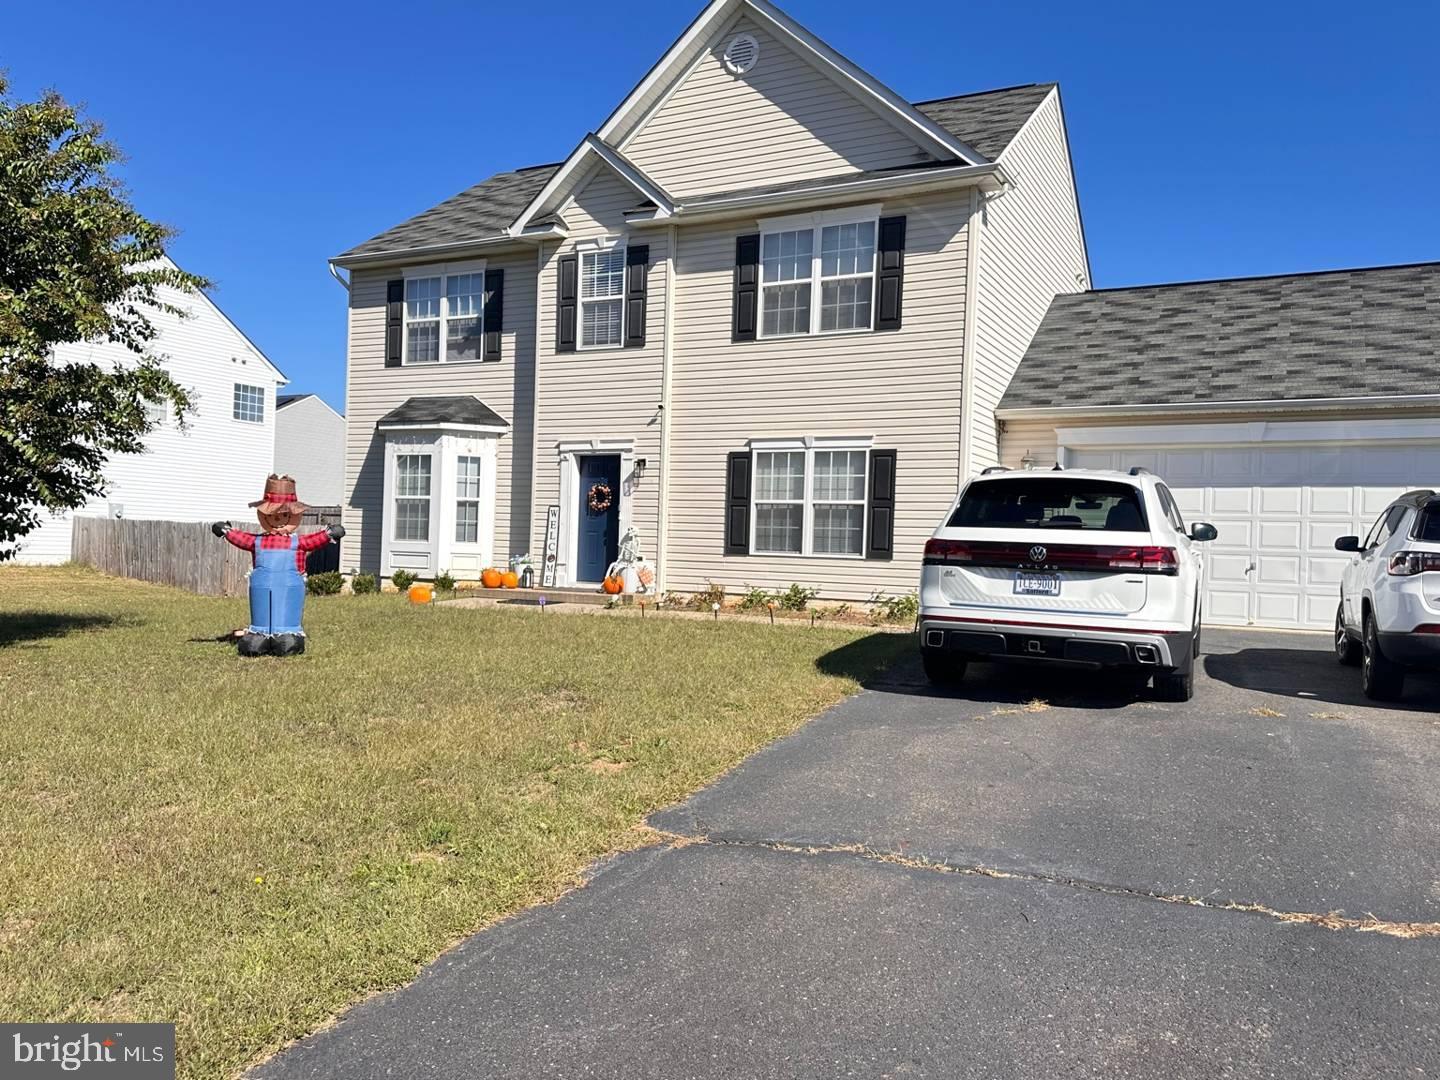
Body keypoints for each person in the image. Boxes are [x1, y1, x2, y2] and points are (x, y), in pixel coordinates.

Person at [212, 474, 344, 657]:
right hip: (261, 594)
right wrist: (227, 531)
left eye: (285, 515)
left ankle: (287, 635)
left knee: (286, 631)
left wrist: (329, 534)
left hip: (290, 593)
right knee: (257, 630)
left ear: (294, 515)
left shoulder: (298, 543)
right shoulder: (257, 542)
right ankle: (259, 634)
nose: (278, 518)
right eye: (271, 514)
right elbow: (242, 538)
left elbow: (315, 540)